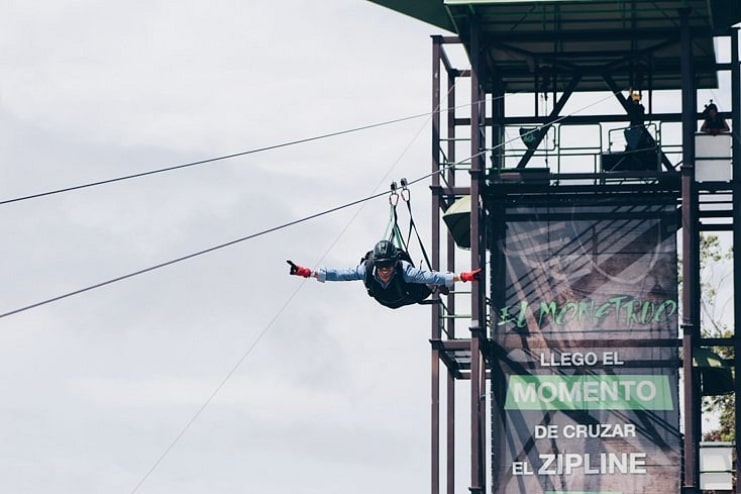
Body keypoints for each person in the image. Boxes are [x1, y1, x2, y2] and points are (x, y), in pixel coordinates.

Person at [287, 239, 482, 309]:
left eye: (389, 266)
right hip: (386, 300)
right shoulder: (366, 270)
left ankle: (436, 290)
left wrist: (462, 277)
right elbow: (340, 274)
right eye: (382, 267)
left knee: (426, 285)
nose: (385, 271)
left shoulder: (404, 270)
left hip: (408, 294)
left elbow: (430, 276)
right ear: (376, 266)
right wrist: (308, 273)